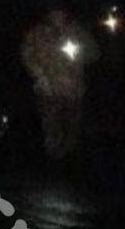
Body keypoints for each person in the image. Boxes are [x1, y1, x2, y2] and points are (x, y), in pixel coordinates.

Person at [20, 9, 96, 162]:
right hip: (48, 92)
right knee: (51, 131)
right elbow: (26, 55)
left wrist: (80, 51)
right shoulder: (37, 33)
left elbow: (94, 54)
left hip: (73, 91)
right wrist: (39, 75)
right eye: (54, 13)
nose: (57, 17)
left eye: (60, 13)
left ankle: (72, 162)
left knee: (72, 129)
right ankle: (53, 163)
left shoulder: (76, 31)